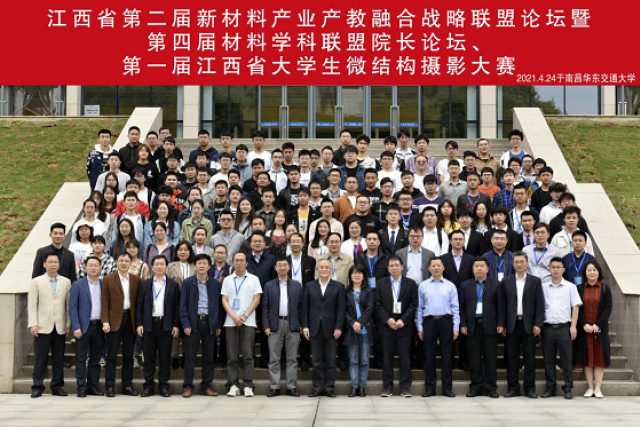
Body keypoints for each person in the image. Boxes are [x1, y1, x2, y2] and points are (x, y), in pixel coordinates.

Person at [459, 257, 505, 398]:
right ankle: (476, 387)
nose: (479, 269)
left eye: (482, 266)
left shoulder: (496, 284)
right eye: (476, 266)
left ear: (487, 269)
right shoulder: (465, 285)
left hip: (491, 326)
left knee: (491, 358)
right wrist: (463, 324)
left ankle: (491, 388)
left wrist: (501, 323)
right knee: (474, 359)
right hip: (472, 326)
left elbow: (501, 306)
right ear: (473, 269)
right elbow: (462, 307)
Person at [135, 255, 181, 397]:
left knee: (165, 357)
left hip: (166, 325)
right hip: (148, 325)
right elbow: (139, 306)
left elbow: (177, 307)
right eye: (157, 264)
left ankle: (163, 386)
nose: (159, 266)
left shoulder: (173, 285)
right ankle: (148, 386)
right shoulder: (145, 284)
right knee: (148, 357)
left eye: (162, 264)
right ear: (152, 266)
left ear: (166, 267)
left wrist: (176, 325)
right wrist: (139, 324)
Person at [180, 253, 224, 397]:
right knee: (190, 357)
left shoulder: (215, 284)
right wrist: (186, 324)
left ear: (209, 266)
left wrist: (218, 325)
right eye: (199, 263)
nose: (202, 266)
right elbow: (183, 306)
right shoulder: (188, 283)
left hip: (210, 323)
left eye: (205, 263)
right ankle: (187, 387)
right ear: (195, 266)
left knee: (209, 357)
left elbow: (219, 307)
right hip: (193, 323)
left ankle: (207, 386)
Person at [28, 253, 71, 398]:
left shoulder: (66, 282)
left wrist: (68, 323)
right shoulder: (36, 282)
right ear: (44, 264)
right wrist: (33, 324)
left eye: (55, 262)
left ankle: (57, 386)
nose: (53, 264)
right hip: (42, 326)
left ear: (59, 264)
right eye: (50, 262)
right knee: (40, 358)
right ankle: (37, 386)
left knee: (59, 358)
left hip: (60, 325)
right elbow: (32, 305)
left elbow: (67, 305)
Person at [416, 257, 460, 397]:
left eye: (438, 265)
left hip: (446, 321)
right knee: (429, 356)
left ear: (443, 268)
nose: (436, 268)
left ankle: (447, 388)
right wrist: (419, 327)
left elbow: (455, 308)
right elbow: (419, 308)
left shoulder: (450, 286)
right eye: (433, 266)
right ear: (429, 268)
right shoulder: (423, 286)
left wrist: (456, 327)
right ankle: (430, 388)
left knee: (447, 356)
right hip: (429, 322)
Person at [502, 252, 545, 398]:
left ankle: (529, 389)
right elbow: (502, 304)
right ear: (513, 264)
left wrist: (538, 324)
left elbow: (540, 304)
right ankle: (513, 388)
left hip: (529, 325)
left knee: (530, 359)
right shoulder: (506, 281)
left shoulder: (535, 281)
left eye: (522, 262)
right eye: (516, 262)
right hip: (512, 325)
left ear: (527, 263)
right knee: (511, 358)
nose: (519, 265)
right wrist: (502, 324)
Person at [302, 259, 347, 397]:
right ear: (317, 270)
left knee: (331, 360)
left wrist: (339, 327)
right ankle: (317, 387)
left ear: (331, 270)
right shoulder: (309, 286)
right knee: (316, 360)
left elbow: (341, 309)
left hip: (332, 328)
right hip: (314, 327)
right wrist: (305, 326)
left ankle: (329, 387)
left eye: (327, 267)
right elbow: (305, 308)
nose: (324, 269)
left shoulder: (338, 287)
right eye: (321, 267)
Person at [375, 255, 419, 397]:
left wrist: (403, 320)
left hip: (404, 326)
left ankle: (405, 387)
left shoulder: (410, 283)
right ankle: (387, 387)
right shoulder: (381, 283)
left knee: (405, 358)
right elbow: (377, 304)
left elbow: (413, 304)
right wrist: (387, 319)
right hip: (387, 326)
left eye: (396, 265)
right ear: (388, 268)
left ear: (402, 267)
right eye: (391, 266)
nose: (394, 268)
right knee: (387, 358)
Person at [221, 252, 263, 397]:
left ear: (246, 263)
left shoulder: (254, 279)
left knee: (248, 355)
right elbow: (224, 300)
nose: (239, 263)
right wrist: (234, 316)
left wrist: (244, 316)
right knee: (232, 356)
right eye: (236, 260)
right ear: (233, 263)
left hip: (248, 321)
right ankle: (232, 384)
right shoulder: (227, 280)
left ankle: (248, 385)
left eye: (241, 260)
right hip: (231, 322)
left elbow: (257, 299)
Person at [540, 257, 582, 399]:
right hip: (548, 328)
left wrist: (573, 326)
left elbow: (575, 307)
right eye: (553, 267)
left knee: (566, 359)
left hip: (564, 328)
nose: (555, 270)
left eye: (558, 267)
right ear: (549, 269)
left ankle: (568, 387)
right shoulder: (544, 287)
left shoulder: (570, 287)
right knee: (548, 360)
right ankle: (550, 387)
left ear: (563, 270)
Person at [101, 252, 142, 397]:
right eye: (121, 260)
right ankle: (110, 386)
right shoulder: (108, 279)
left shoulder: (137, 280)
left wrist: (139, 322)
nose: (124, 263)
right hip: (114, 321)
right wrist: (105, 321)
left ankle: (127, 386)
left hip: (130, 320)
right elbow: (104, 302)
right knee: (111, 356)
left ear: (130, 263)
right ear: (117, 262)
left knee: (128, 356)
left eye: (126, 261)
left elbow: (139, 303)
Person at [262, 258, 303, 397]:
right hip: (275, 324)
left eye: (285, 265)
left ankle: (291, 387)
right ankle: (275, 387)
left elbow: (301, 307)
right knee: (274, 358)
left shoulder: (297, 285)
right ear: (275, 268)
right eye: (280, 265)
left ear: (289, 268)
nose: (283, 267)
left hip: (293, 324)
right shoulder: (269, 285)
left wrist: (301, 324)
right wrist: (265, 325)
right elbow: (265, 307)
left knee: (292, 358)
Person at [575, 261, 612, 399]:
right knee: (587, 359)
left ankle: (598, 388)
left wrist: (598, 325)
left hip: (599, 330)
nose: (592, 272)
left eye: (594, 270)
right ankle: (590, 387)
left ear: (599, 272)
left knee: (599, 358)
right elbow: (577, 308)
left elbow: (608, 308)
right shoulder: (579, 288)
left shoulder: (605, 289)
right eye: (589, 270)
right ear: (585, 273)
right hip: (585, 330)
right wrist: (584, 324)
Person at [70, 256, 105, 397]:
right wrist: (76, 327)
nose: (93, 268)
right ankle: (81, 387)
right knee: (81, 358)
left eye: (96, 265)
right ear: (85, 268)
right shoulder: (78, 285)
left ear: (100, 268)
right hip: (83, 327)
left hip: (99, 326)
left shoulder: (104, 284)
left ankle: (92, 386)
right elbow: (73, 307)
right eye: (90, 265)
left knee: (96, 359)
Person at [442, 230, 475, 370]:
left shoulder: (471, 259)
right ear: (450, 241)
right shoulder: (443, 259)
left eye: (460, 239)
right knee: (449, 330)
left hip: (466, 298)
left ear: (464, 241)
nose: (458, 241)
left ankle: (463, 360)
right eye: (455, 239)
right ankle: (449, 361)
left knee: (464, 331)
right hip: (447, 298)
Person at [344, 265, 375, 397]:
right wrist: (352, 323)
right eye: (354, 273)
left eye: (359, 273)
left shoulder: (369, 291)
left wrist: (360, 322)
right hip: (351, 331)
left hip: (365, 330)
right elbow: (343, 311)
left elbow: (370, 309)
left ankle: (362, 387)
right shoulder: (345, 292)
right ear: (350, 276)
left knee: (364, 361)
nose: (356, 275)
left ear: (363, 276)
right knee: (353, 360)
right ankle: (354, 386)